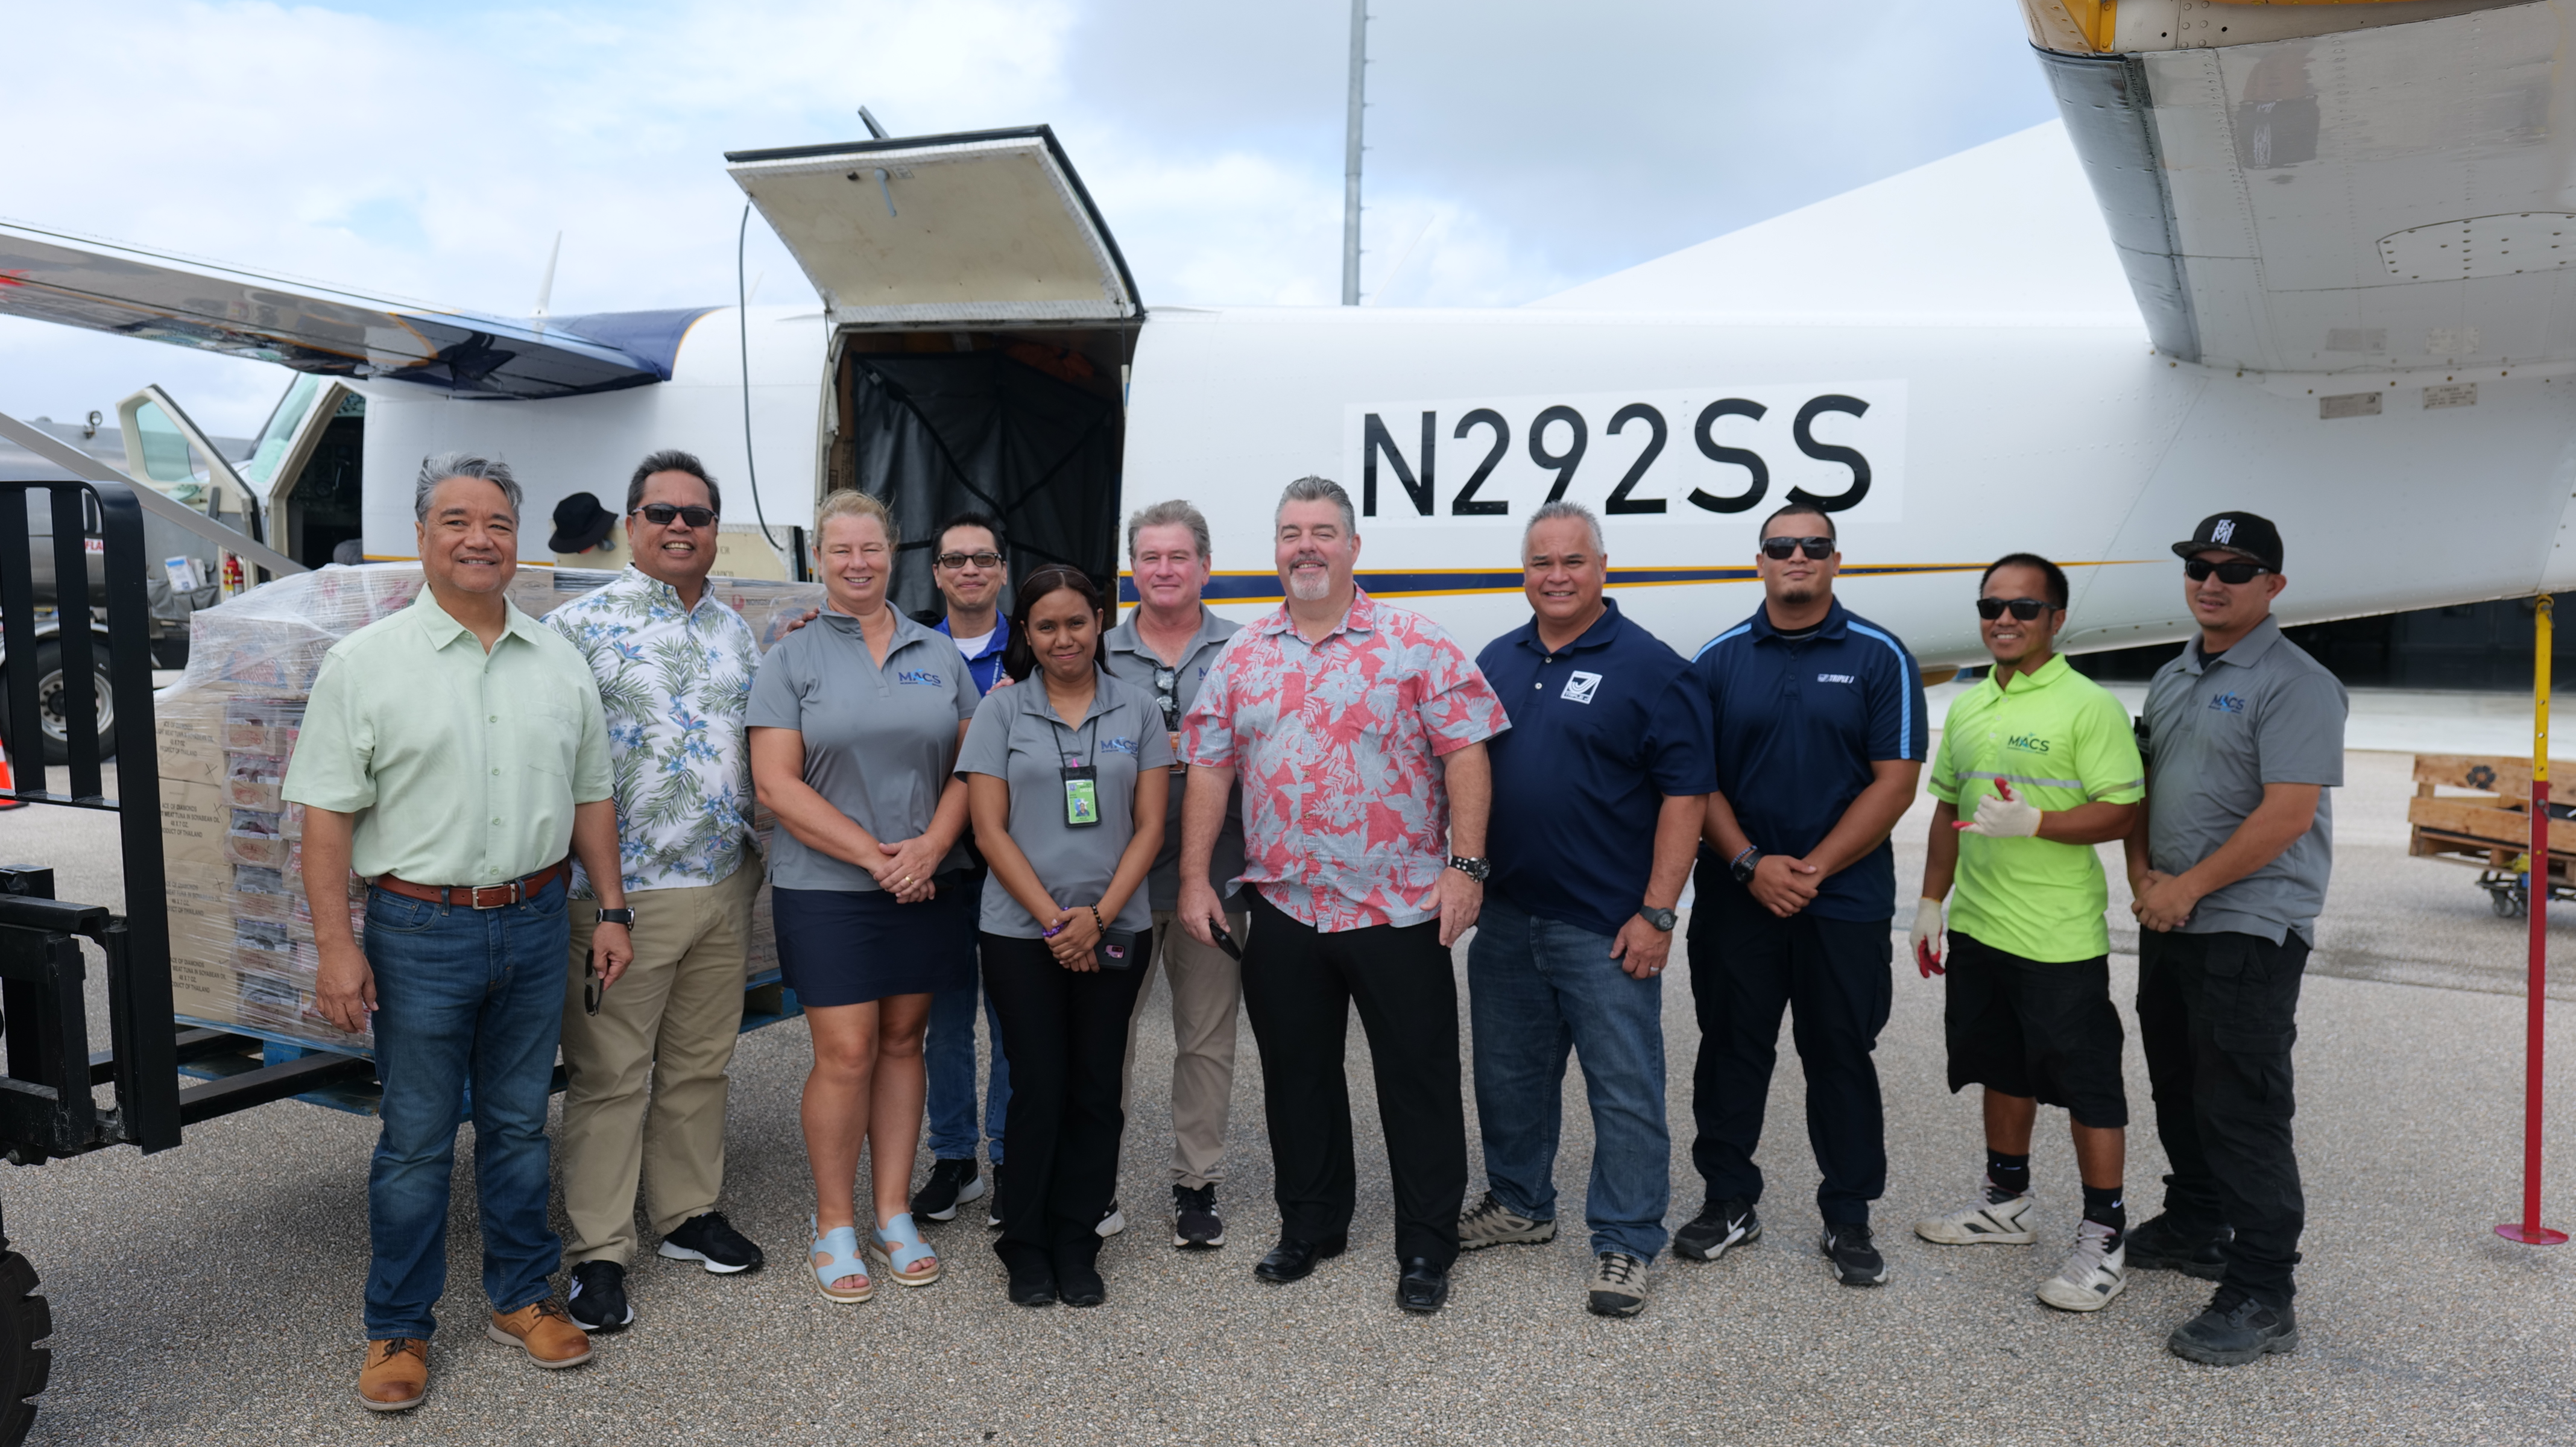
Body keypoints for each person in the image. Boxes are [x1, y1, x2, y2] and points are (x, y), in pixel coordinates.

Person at [285, 452, 627, 1411]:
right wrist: (337, 946)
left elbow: (592, 793)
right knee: (417, 1141)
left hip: (531, 921)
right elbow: (326, 815)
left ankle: (522, 1297)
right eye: (456, 521)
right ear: (424, 536)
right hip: (417, 929)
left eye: (498, 524)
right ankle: (398, 1328)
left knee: (521, 1126)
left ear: (519, 541)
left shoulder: (559, 659)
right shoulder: (366, 663)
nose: (480, 539)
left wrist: (612, 908)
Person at [1178, 475, 1507, 1316]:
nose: (1307, 547)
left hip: (1398, 908)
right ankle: (1312, 1225)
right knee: (1297, 1078)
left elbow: (1467, 751)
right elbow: (1211, 766)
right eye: (1292, 533)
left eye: (1323, 532)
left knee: (1419, 1081)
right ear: (1276, 551)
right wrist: (1192, 879)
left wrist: (1465, 868)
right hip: (1285, 907)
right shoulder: (1243, 657)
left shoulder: (1414, 643)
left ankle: (1427, 1245)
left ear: (1354, 548)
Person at [1460, 501, 1711, 1319]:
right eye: (1541, 562)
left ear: (1603, 566)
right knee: (1507, 1078)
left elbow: (1686, 797)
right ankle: (1522, 1206)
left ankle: (1627, 1240)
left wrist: (1658, 913)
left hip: (1606, 927)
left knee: (1626, 1089)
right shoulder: (1498, 658)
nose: (1557, 576)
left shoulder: (1652, 668)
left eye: (1573, 561)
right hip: (1507, 917)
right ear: (1523, 572)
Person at [543, 450, 768, 1336]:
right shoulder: (576, 630)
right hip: (620, 899)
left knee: (701, 1064)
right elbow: (560, 773)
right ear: (631, 525)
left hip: (721, 884)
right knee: (610, 1078)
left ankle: (685, 1215)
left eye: (698, 515)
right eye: (662, 512)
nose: (681, 526)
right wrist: (606, 903)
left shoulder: (735, 630)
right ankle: (600, 1252)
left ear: (716, 531)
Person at [1675, 500, 1926, 1288]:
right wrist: (1750, 863)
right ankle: (1728, 1203)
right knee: (1729, 1054)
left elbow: (1897, 780)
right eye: (1781, 546)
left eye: (1813, 546)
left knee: (1841, 1056)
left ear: (1835, 561)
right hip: (1736, 898)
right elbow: (1695, 780)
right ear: (1760, 561)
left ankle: (1847, 1216)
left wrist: (1811, 868)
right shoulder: (1717, 659)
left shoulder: (1881, 656)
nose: (1797, 556)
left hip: (1843, 904)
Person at [2124, 511, 2344, 1367]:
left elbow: (2287, 814)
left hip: (2248, 925)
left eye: (2237, 569)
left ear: (2274, 586)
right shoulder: (2175, 673)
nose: (2213, 582)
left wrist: (2187, 887)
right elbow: (2139, 786)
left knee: (2243, 1104)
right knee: (2177, 1082)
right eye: (2200, 566)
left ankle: (2263, 1291)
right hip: (2173, 914)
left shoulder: (2297, 682)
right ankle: (2195, 1222)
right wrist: (2145, 875)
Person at [749, 490, 980, 1302]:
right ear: (820, 560)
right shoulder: (791, 660)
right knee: (845, 1053)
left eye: (871, 549)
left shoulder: (937, 652)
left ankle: (892, 1214)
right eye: (841, 550)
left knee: (904, 1042)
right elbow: (775, 785)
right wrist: (874, 858)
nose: (857, 563)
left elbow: (970, 770)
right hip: (828, 888)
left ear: (893, 556)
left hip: (924, 879)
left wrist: (930, 848)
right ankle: (833, 1224)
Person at [1908, 553, 2143, 1313]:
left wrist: (2039, 822)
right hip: (1979, 925)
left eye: (2023, 609)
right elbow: (1948, 808)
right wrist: (1931, 902)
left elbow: (2122, 810)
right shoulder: (1972, 707)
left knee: (2086, 1088)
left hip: (2057, 936)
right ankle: (2004, 1202)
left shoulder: (2088, 706)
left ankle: (2104, 1235)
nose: (2004, 620)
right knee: (1999, 1066)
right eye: (1991, 606)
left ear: (2056, 619)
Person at [958, 566, 1173, 1307]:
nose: (1063, 639)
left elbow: (1150, 828)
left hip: (1115, 928)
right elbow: (988, 830)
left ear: (1100, 623)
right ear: (1027, 634)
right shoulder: (1001, 713)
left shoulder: (1138, 711)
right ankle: (1025, 1242)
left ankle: (1078, 1239)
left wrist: (1098, 918)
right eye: (1045, 626)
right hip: (1022, 935)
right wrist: (1056, 921)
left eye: (1076, 623)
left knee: (1095, 1089)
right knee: (1038, 1083)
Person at [1103, 500, 1248, 1250]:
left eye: (1178, 557)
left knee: (1206, 1038)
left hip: (1215, 878)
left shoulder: (1249, 649)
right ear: (1134, 567)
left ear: (1205, 567)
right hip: (1115, 880)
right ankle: (1095, 1178)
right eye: (1150, 557)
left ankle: (1198, 1183)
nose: (1164, 570)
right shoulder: (1094, 651)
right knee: (1106, 1037)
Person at [912, 511, 1017, 1229]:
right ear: (937, 573)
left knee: (1014, 1022)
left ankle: (1011, 1155)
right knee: (944, 1026)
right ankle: (954, 1159)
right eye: (956, 560)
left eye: (983, 559)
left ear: (1003, 569)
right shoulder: (910, 650)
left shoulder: (1040, 645)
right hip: (943, 865)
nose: (970, 571)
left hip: (1017, 864)